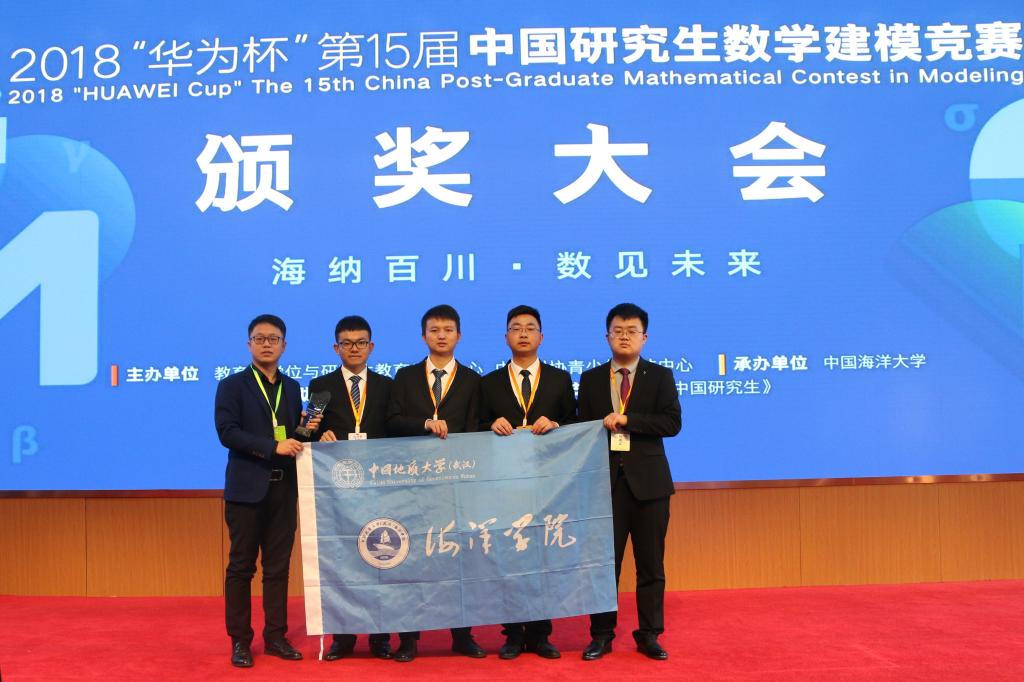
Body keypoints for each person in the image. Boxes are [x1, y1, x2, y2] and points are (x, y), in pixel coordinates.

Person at [214, 314, 319, 668]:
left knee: (278, 568)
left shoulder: (291, 387)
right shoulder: (232, 386)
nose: (266, 344)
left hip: (284, 490)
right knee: (241, 567)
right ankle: (240, 641)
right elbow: (227, 432)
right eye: (259, 338)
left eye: (273, 339)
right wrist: (273, 447)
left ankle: (276, 636)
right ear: (249, 344)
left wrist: (307, 429)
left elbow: (292, 438)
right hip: (246, 490)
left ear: (284, 346)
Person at [578, 303, 681, 662]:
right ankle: (601, 635)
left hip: (650, 486)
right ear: (607, 336)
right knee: (604, 565)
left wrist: (628, 419)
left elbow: (672, 423)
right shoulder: (591, 379)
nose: (624, 336)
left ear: (644, 337)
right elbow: (582, 429)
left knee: (651, 565)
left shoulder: (660, 376)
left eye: (631, 331)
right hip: (604, 485)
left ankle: (649, 634)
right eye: (617, 330)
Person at [386, 304, 485, 662]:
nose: (441, 335)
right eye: (434, 330)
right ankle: (408, 639)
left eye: (448, 330)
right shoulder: (405, 377)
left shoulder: (473, 380)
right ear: (423, 335)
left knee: (459, 561)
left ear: (459, 335)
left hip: (457, 484)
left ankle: (462, 634)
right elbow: (391, 422)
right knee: (411, 561)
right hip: (412, 484)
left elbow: (477, 429)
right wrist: (424, 424)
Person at [478, 304, 576, 660]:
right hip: (504, 484)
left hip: (548, 484)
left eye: (530, 327)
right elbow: (474, 427)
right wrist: (489, 425)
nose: (523, 333)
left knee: (543, 558)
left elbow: (575, 425)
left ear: (541, 337)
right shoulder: (488, 382)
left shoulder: (560, 380)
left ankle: (540, 633)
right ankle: (512, 634)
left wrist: (557, 425)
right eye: (516, 328)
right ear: (506, 337)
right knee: (508, 559)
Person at [310, 315, 394, 661]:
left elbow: (395, 431)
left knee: (380, 560)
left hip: (378, 486)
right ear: (336, 348)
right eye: (347, 343)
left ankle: (380, 636)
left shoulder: (387, 385)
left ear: (371, 347)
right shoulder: (320, 386)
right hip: (339, 489)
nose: (354, 349)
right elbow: (306, 431)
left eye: (360, 343)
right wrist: (319, 433)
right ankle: (342, 638)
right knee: (341, 561)